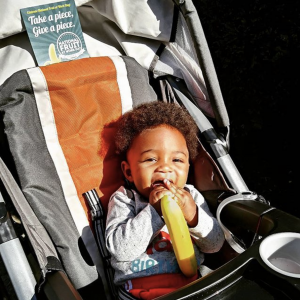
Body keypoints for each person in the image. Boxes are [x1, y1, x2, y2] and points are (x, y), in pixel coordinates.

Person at [105, 101, 225, 299]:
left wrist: (194, 216)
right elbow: (120, 251)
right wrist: (154, 212)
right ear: (129, 171)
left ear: (188, 166)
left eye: (176, 160)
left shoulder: (190, 197)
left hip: (192, 285)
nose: (165, 168)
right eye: (151, 159)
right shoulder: (125, 200)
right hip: (138, 291)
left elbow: (215, 245)